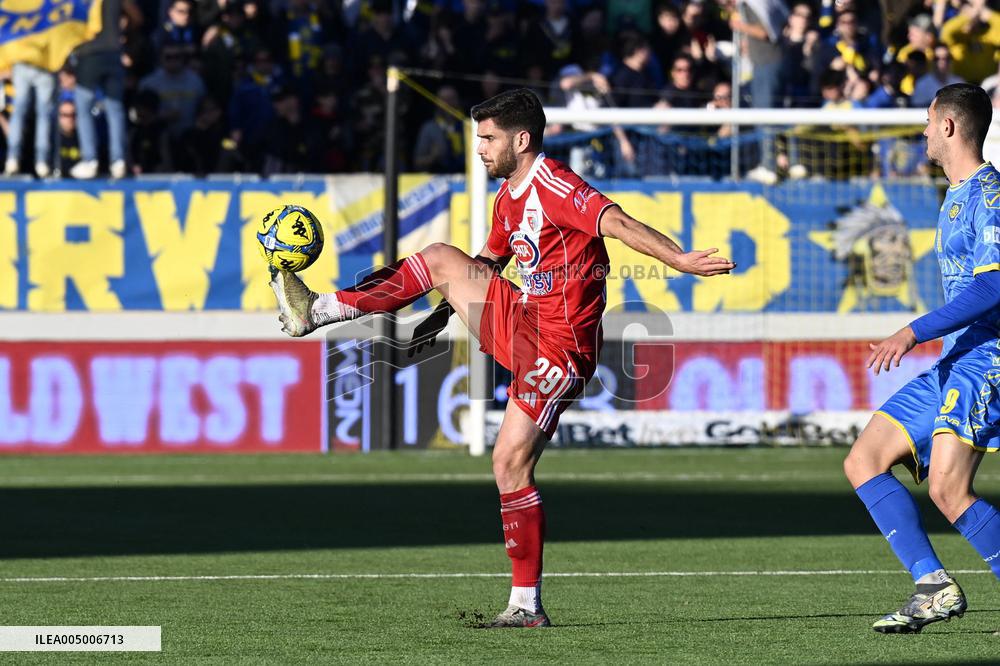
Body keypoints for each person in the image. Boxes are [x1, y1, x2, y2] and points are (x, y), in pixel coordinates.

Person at [269, 88, 734, 628]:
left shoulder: (557, 185)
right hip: (523, 323)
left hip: (562, 347)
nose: (480, 150)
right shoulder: (508, 199)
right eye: (478, 139)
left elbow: (619, 223)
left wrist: (679, 258)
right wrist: (441, 316)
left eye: (488, 139)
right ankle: (525, 607)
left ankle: (524, 605)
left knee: (508, 463)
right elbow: (486, 263)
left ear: (522, 138)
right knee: (445, 262)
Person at [844, 83, 1000, 634]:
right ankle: (933, 586)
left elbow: (992, 288)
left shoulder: (990, 198)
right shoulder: (955, 195)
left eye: (929, 122)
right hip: (956, 359)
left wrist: (911, 333)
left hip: (989, 359)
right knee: (863, 459)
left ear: (950, 126)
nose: (924, 132)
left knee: (947, 490)